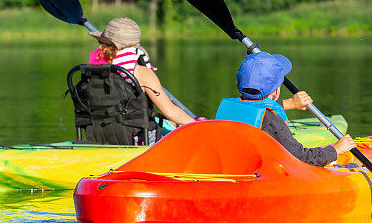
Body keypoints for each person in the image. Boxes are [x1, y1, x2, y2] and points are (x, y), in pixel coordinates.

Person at [214, 51, 356, 167]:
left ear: (239, 87)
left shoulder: (231, 108)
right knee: (348, 165)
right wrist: (335, 149)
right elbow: (303, 158)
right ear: (276, 91)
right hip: (264, 179)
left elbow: (257, 107)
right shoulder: (272, 121)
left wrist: (291, 104)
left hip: (231, 170)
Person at [87, 17, 195, 128]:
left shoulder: (93, 68)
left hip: (98, 134)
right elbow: (171, 113)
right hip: (134, 137)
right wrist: (197, 124)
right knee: (176, 123)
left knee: (171, 123)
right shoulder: (141, 72)